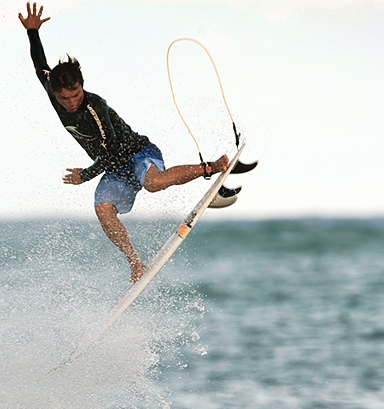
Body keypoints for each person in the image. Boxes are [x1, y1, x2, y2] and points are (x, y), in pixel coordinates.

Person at [18, 3, 230, 283]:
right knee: (103, 209)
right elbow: (39, 65)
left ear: (82, 85)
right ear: (54, 92)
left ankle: (211, 167)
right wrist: (33, 32)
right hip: (116, 169)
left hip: (137, 152)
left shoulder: (95, 108)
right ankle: (135, 262)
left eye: (76, 95)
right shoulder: (51, 87)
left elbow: (111, 149)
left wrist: (87, 174)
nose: (71, 103)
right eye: (64, 98)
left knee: (152, 184)